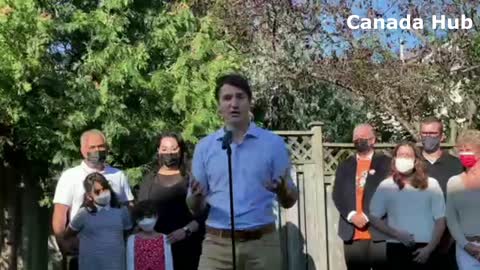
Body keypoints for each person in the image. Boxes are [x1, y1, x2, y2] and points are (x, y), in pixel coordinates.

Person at [187, 73, 298, 270]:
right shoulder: (205, 147)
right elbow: (195, 207)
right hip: (216, 247)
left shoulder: (273, 144)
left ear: (250, 102)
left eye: (240, 97)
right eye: (227, 98)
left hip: (262, 244)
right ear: (219, 106)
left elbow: (290, 201)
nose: (234, 104)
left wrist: (281, 189)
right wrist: (195, 196)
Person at [52, 129, 134, 269]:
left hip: (113, 253)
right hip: (82, 251)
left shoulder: (118, 175)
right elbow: (60, 214)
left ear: (107, 148)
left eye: (101, 146)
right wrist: (63, 243)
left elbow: (129, 208)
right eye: (92, 147)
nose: (97, 150)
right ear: (83, 150)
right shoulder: (70, 176)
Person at [369, 142, 446, 270]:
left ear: (416, 160)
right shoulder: (386, 185)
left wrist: (429, 249)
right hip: (396, 247)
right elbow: (374, 216)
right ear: (394, 159)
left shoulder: (431, 184)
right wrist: (396, 234)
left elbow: (440, 220)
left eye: (408, 155)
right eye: (401, 155)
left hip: (426, 248)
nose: (404, 158)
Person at [138, 132, 205, 270]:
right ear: (158, 151)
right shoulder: (149, 180)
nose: (169, 153)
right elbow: (140, 212)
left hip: (188, 247)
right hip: (157, 248)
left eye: (174, 149)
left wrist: (186, 230)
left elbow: (205, 213)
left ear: (181, 150)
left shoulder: (192, 177)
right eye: (164, 149)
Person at [332, 123, 391, 270]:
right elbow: (337, 194)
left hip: (380, 232)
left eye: (363, 137)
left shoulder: (386, 163)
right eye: (356, 138)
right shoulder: (344, 165)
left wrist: (366, 216)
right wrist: (352, 215)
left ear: (373, 140)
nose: (359, 140)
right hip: (351, 232)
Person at [63, 172, 132, 270]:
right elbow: (68, 235)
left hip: (116, 265)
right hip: (90, 265)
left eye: (105, 188)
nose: (103, 193)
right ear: (88, 195)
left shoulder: (121, 210)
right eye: (97, 191)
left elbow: (127, 233)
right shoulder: (84, 213)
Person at [420, 117, 463, 269]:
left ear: (442, 136)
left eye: (433, 133)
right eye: (424, 133)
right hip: (417, 237)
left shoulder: (456, 165)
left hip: (449, 239)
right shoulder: (412, 163)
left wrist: (451, 238)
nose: (428, 137)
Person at [446, 129, 480, 270]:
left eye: (468, 149)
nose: (464, 153)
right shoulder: (454, 182)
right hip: (465, 249)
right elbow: (451, 218)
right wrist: (465, 245)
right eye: (462, 150)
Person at [127, 200, 174, 270]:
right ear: (136, 220)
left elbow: (169, 263)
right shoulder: (132, 239)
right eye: (141, 218)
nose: (146, 220)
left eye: (149, 216)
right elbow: (130, 263)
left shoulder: (165, 238)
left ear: (156, 216)